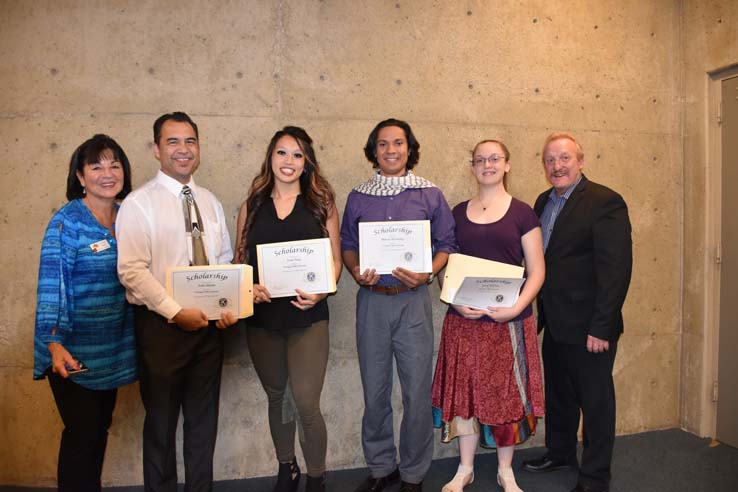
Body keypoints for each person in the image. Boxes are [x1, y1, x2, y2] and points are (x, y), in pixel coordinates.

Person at [116, 112, 238, 492]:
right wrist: (174, 311)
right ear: (156, 150)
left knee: (204, 424)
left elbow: (223, 260)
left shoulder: (210, 201)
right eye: (172, 142)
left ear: (198, 149)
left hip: (209, 330)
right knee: (161, 425)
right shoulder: (139, 204)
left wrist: (227, 304)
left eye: (190, 142)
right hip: (162, 329)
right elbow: (132, 271)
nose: (183, 150)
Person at [340, 118, 456, 492]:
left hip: (413, 303)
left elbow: (446, 244)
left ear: (410, 148)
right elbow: (347, 242)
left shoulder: (430, 194)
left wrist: (427, 274)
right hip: (372, 302)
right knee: (374, 392)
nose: (391, 150)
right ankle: (380, 467)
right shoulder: (359, 195)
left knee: (416, 392)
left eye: (399, 143)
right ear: (374, 150)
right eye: (384, 144)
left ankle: (413, 473)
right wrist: (356, 269)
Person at [432, 139, 546, 492]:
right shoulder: (456, 212)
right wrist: (451, 299)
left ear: (507, 165)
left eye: (494, 158)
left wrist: (515, 307)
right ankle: (464, 468)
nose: (488, 165)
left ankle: (505, 470)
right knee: (464, 394)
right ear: (473, 167)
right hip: (464, 321)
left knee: (506, 396)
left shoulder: (523, 212)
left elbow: (537, 269)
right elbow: (444, 262)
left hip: (508, 322)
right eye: (480, 160)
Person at [521, 132, 632, 492]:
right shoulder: (542, 202)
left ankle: (596, 476)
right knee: (559, 395)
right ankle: (560, 452)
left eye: (565, 158)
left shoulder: (605, 201)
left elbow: (616, 270)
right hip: (554, 321)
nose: (557, 166)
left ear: (580, 161)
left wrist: (601, 327)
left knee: (596, 402)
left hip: (590, 325)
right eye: (550, 160)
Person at [234, 126, 341, 492]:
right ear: (270, 157)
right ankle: (287, 467)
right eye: (282, 153)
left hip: (308, 318)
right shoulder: (252, 205)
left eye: (297, 155)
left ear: (306, 161)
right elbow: (239, 260)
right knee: (277, 397)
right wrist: (247, 287)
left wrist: (322, 292)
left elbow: (335, 261)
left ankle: (316, 476)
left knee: (307, 403)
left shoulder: (321, 203)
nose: (289, 161)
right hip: (263, 319)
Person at [33, 134, 136, 492]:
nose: (107, 173)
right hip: (71, 351)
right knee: (82, 436)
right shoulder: (68, 222)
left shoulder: (127, 218)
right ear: (80, 176)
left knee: (97, 431)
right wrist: (54, 342)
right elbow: (52, 284)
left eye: (114, 164)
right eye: (96, 166)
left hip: (111, 351)